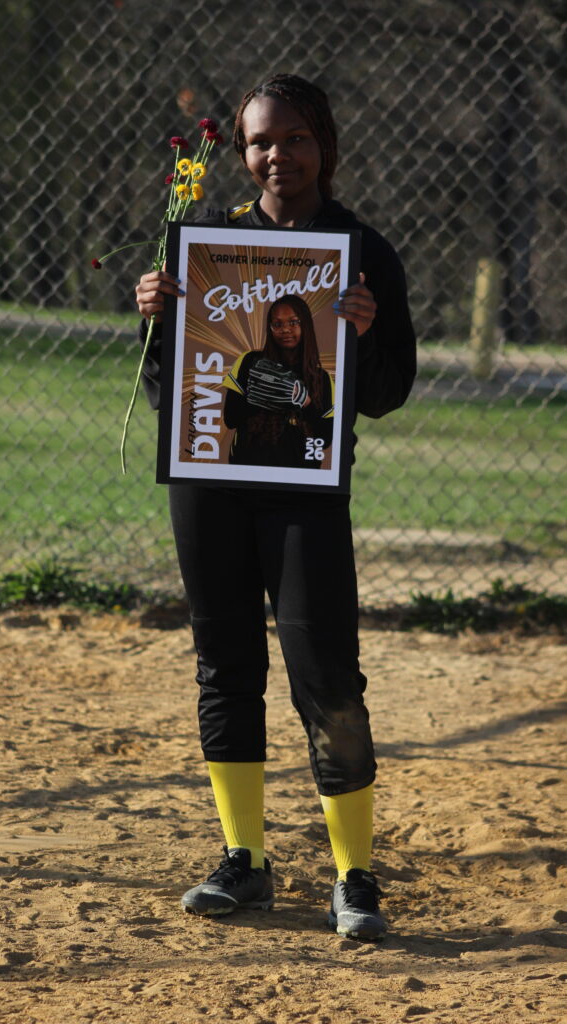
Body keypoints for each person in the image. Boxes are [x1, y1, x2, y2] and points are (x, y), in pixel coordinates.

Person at [134, 73, 416, 942]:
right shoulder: (206, 250)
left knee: (325, 673)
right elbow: (166, 393)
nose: (276, 155)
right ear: (243, 153)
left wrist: (361, 332)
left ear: (322, 143)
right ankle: (245, 860)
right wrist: (153, 319)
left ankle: (353, 875)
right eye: (259, 141)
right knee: (225, 667)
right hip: (209, 485)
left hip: (303, 493)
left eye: (293, 138)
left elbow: (384, 394)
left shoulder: (360, 250)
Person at [223, 295, 334, 469]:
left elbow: (325, 439)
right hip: (247, 470)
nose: (285, 329)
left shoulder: (322, 378)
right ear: (270, 328)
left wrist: (306, 404)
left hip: (300, 477)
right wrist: (263, 397)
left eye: (293, 322)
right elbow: (231, 418)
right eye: (277, 324)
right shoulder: (250, 361)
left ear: (305, 325)